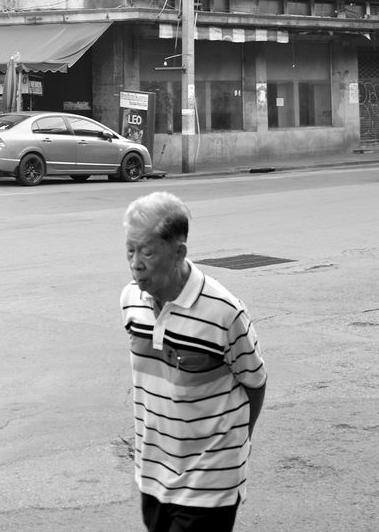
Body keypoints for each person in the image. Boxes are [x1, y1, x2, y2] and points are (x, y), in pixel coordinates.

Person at [121, 192, 267, 532]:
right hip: (154, 472)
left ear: (178, 253)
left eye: (147, 250)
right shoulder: (131, 301)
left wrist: (236, 445)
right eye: (130, 249)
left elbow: (255, 383)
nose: (136, 262)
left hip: (210, 481)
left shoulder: (223, 312)